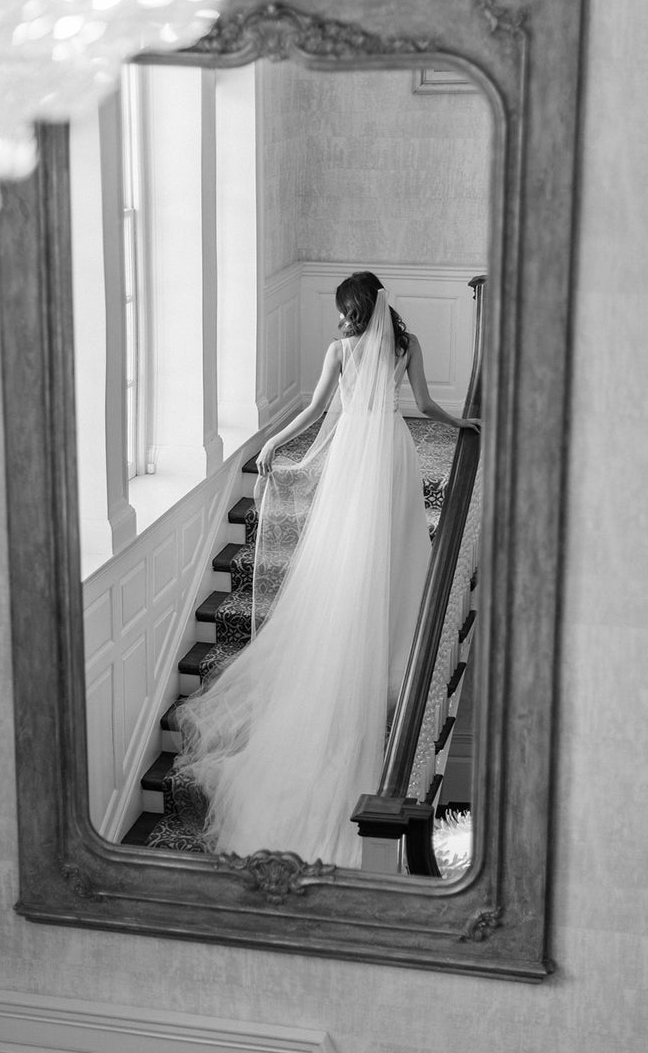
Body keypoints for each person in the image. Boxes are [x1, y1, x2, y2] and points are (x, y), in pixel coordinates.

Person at [174, 271, 479, 869]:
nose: (343, 320)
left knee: (360, 550)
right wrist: (453, 424)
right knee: (378, 548)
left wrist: (275, 444)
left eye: (347, 310)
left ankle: (371, 633)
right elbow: (420, 405)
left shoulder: (344, 350)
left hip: (361, 457)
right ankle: (378, 633)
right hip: (390, 452)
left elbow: (318, 411)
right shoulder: (400, 346)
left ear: (358, 309)